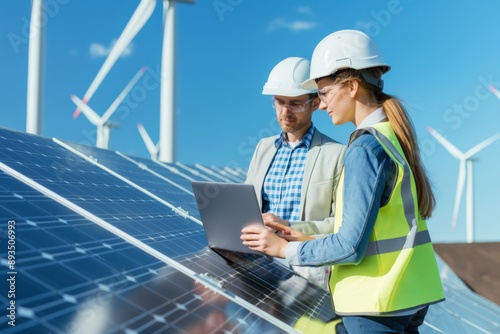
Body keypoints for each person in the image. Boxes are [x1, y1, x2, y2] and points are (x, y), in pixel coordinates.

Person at [241, 30, 445, 333]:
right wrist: (296, 230)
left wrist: (284, 250)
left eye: (322, 94)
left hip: (374, 299)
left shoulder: (363, 148)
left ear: (350, 87)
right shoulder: (390, 136)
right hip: (408, 294)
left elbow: (349, 245)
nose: (321, 105)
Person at [245, 56, 346, 290]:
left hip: (304, 267)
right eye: (280, 102)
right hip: (257, 261)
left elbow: (340, 226)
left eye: (295, 103)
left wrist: (289, 227)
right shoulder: (263, 148)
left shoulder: (337, 154)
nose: (286, 111)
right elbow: (247, 205)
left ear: (315, 103)